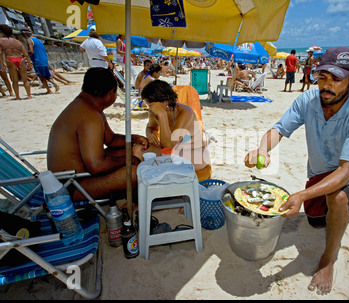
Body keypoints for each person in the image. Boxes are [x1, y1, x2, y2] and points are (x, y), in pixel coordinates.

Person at [244, 47, 349, 295]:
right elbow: (279, 129)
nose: (326, 86)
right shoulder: (307, 100)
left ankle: (328, 260)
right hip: (320, 171)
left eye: (336, 80)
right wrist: (262, 149)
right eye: (322, 78)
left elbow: (347, 170)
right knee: (317, 222)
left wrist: (301, 195)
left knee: (337, 196)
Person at [47, 67, 148, 202]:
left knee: (134, 149)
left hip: (77, 177)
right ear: (110, 93)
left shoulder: (88, 107)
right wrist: (128, 159)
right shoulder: (89, 116)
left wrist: (135, 138)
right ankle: (137, 204)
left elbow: (111, 140)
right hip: (72, 186)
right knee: (134, 174)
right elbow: (96, 166)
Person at [141, 80, 211, 180]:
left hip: (195, 153)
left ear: (165, 102)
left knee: (156, 156)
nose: (150, 108)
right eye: (148, 105)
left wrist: (162, 116)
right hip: (175, 151)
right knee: (139, 149)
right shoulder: (155, 111)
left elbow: (169, 146)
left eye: (151, 105)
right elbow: (150, 127)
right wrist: (150, 134)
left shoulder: (185, 113)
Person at [21, 27, 59, 94]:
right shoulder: (38, 40)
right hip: (44, 60)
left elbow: (31, 51)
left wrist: (24, 56)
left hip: (37, 60)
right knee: (46, 75)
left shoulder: (29, 40)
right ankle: (54, 84)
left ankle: (49, 90)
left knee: (41, 76)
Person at [0, 24, 33, 100]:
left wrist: (2, 64)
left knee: (15, 80)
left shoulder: (1, 41)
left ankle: (17, 97)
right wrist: (30, 63)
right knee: (25, 80)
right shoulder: (17, 41)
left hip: (10, 59)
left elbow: (0, 53)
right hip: (20, 59)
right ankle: (29, 95)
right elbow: (25, 54)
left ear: (2, 33)